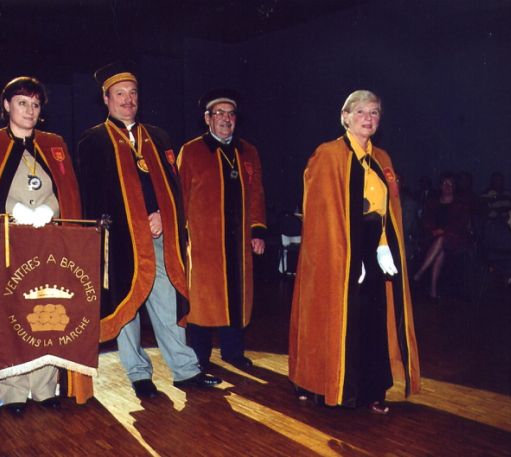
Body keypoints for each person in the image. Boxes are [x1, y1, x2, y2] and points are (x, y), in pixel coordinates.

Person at [74, 62, 220, 399]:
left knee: (167, 304)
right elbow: (93, 197)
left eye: (132, 93)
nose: (128, 100)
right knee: (127, 306)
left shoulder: (158, 137)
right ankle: (138, 374)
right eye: (120, 94)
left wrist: (164, 218)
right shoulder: (94, 140)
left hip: (159, 236)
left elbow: (173, 189)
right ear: (106, 99)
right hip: (121, 240)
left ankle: (185, 370)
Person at [0, 76, 93, 418]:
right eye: (22, 103)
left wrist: (51, 209)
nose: (30, 110)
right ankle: (14, 390)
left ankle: (46, 387)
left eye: (35, 104)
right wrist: (13, 210)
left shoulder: (53, 144)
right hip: (8, 245)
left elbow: (67, 191)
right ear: (6, 106)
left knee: (48, 311)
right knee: (15, 315)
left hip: (48, 244)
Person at [289, 90, 420, 414]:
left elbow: (387, 211)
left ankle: (371, 391)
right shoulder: (329, 154)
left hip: (373, 249)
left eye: (374, 112)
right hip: (339, 250)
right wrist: (347, 254)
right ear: (345, 117)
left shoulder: (382, 158)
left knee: (373, 320)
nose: (368, 118)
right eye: (361, 111)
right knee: (337, 318)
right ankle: (325, 387)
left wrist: (384, 246)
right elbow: (320, 214)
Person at [176, 89, 267, 370]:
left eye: (231, 114)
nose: (226, 119)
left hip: (238, 243)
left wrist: (257, 231)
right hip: (204, 243)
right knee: (203, 302)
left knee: (237, 298)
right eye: (219, 113)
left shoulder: (248, 151)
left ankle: (233, 352)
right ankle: (199, 357)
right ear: (207, 119)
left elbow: (256, 194)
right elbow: (179, 195)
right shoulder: (192, 151)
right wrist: (181, 235)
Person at [413, 172, 473, 299]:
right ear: (440, 186)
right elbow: (425, 220)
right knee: (440, 250)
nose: (447, 186)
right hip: (433, 237)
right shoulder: (433, 203)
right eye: (445, 183)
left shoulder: (461, 205)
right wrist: (433, 230)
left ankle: (419, 273)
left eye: (450, 184)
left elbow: (461, 223)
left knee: (442, 241)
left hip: (454, 238)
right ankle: (433, 291)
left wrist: (444, 231)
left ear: (454, 187)